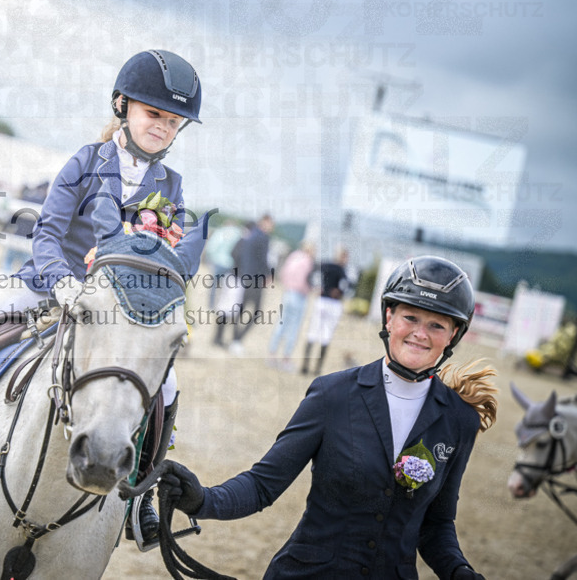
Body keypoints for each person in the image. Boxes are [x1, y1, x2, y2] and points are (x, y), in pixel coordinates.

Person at [0, 49, 208, 547]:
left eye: (173, 121)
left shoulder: (170, 186)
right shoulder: (86, 162)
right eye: (154, 113)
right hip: (47, 285)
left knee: (167, 382)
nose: (162, 126)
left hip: (114, 313)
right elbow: (47, 233)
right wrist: (63, 281)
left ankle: (139, 495)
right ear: (121, 106)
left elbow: (159, 256)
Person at [157, 255, 498, 580]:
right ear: (389, 317)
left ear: (453, 334)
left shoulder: (459, 421)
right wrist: (203, 499)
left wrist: (458, 571)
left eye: (436, 324)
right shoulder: (332, 395)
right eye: (410, 318)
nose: (420, 334)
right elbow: (263, 485)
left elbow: (436, 524)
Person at [226, 214, 274, 355]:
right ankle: (237, 340)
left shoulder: (250, 236)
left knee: (241, 310)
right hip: (256, 280)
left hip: (244, 277)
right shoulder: (263, 238)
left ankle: (235, 340)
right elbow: (263, 260)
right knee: (256, 312)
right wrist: (268, 275)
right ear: (264, 222)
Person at [301, 246, 352, 375]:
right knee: (322, 333)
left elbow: (312, 275)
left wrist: (317, 287)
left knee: (319, 333)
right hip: (331, 303)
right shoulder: (341, 270)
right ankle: (312, 367)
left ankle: (311, 366)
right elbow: (346, 287)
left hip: (324, 301)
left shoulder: (326, 265)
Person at [267, 240, 315, 371]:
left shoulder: (293, 256)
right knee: (294, 327)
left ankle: (272, 354)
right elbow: (306, 280)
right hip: (299, 295)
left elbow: (283, 273)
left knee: (281, 324)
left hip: (288, 292)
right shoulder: (307, 261)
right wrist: (309, 289)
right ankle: (286, 358)